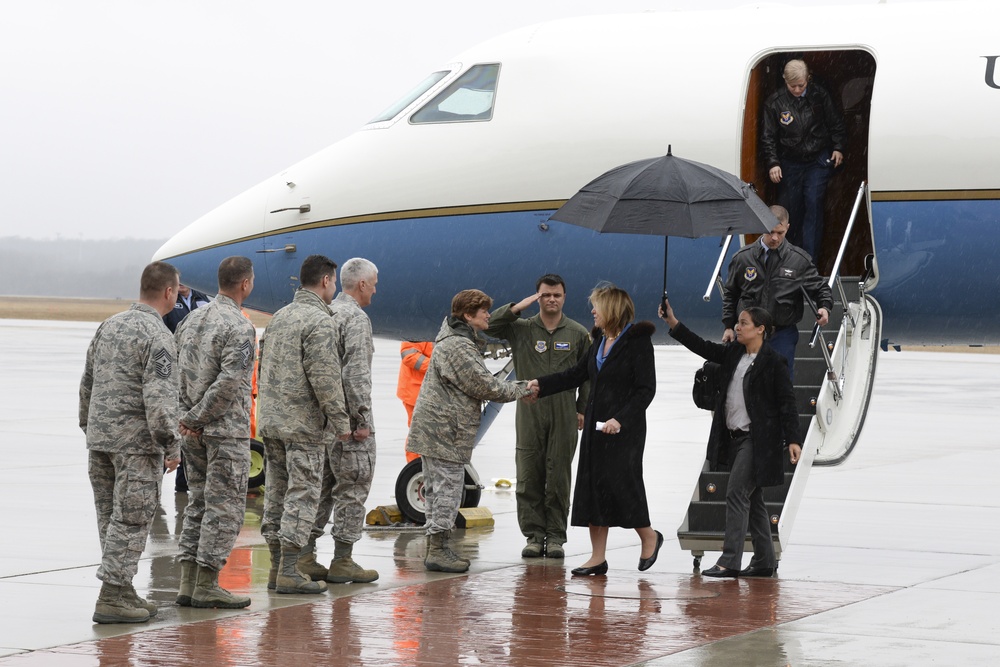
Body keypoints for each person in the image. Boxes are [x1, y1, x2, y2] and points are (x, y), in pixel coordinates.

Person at [660, 298, 802, 578]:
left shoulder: (774, 363)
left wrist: (794, 439)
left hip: (756, 441)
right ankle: (764, 560)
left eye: (744, 323)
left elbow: (787, 403)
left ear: (761, 329)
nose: (737, 327)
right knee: (754, 500)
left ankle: (729, 561)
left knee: (736, 493)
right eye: (738, 322)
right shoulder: (734, 353)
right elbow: (702, 347)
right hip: (733, 439)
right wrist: (673, 323)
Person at [528, 284, 662, 576]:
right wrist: (542, 384)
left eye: (597, 306)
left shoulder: (637, 341)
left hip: (624, 430)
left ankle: (649, 535)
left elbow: (645, 390)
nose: (592, 312)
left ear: (611, 309)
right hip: (595, 427)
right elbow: (577, 374)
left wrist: (620, 419)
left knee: (623, 484)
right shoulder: (599, 339)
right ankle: (597, 557)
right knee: (593, 488)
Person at [79, 261, 182, 624]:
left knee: (111, 519)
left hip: (101, 441)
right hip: (136, 446)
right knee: (132, 520)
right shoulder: (158, 336)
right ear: (169, 292)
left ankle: (121, 590)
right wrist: (171, 444)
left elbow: (87, 383)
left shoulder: (109, 325)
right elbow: (160, 397)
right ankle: (112, 596)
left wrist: (89, 427)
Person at [406, 289, 534, 573]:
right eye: (484, 311)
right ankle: (438, 551)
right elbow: (484, 386)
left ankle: (436, 548)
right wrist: (523, 388)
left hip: (440, 431)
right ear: (467, 315)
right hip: (445, 432)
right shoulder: (458, 346)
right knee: (447, 493)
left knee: (439, 491)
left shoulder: (457, 341)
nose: (489, 314)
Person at [257, 255, 349, 595]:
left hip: (272, 422)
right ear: (325, 281)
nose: (335, 287)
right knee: (303, 495)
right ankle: (290, 570)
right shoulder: (320, 322)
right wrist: (341, 422)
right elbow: (326, 379)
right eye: (334, 281)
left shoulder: (279, 317)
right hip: (304, 426)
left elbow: (263, 365)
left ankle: (275, 568)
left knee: (276, 495)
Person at [485, 274, 590, 559]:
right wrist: (517, 307)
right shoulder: (521, 329)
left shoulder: (578, 333)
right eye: (545, 295)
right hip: (529, 409)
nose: (551, 299)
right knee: (529, 473)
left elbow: (589, 376)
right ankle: (534, 536)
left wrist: (582, 408)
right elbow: (490, 326)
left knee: (559, 475)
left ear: (564, 298)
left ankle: (555, 536)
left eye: (556, 295)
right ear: (537, 297)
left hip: (564, 409)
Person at [173, 256, 257, 609]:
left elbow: (175, 372)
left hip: (191, 432)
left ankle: (188, 583)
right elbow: (229, 382)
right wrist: (199, 417)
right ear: (245, 284)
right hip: (222, 430)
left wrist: (187, 418)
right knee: (224, 509)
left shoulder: (191, 320)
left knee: (198, 504)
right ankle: (207, 582)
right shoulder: (240, 326)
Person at [305, 257, 381, 584]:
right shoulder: (356, 319)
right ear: (361, 284)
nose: (375, 291)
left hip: (321, 422)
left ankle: (305, 555)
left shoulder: (325, 313)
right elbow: (355, 373)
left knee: (321, 489)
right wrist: (360, 419)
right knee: (352, 486)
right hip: (349, 424)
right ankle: (343, 560)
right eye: (374, 284)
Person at [722, 205, 833, 380]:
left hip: (781, 334)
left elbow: (820, 288)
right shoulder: (742, 258)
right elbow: (731, 294)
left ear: (787, 228)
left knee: (780, 385)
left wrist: (824, 307)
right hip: (748, 333)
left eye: (780, 233)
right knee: (745, 382)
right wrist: (728, 325)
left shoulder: (799, 261)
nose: (774, 238)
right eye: (770, 231)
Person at [761, 58, 846, 260]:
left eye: (801, 85)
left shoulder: (819, 95)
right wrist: (773, 162)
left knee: (813, 206)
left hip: (817, 160)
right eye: (793, 86)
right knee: (790, 212)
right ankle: (789, 259)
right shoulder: (775, 102)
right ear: (785, 81)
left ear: (808, 79)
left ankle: (809, 261)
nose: (798, 90)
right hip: (790, 163)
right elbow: (768, 136)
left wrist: (838, 147)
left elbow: (835, 122)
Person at [165, 284, 211, 492]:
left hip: (199, 372)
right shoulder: (169, 301)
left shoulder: (202, 298)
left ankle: (185, 484)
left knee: (191, 433)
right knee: (174, 427)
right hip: (176, 370)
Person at [397, 340, 434, 463]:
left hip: (426, 392)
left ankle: (419, 469)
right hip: (416, 392)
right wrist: (438, 366)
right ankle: (415, 468)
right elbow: (409, 356)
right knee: (418, 436)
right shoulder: (421, 328)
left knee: (425, 435)